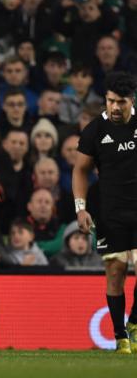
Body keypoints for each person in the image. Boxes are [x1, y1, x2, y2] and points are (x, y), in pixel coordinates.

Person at [73, 71, 137, 353]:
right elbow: (80, 170)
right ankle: (121, 336)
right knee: (116, 270)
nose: (114, 108)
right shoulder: (94, 130)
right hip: (110, 210)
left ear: (131, 100)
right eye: (110, 101)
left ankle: (135, 321)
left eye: (120, 102)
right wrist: (81, 208)